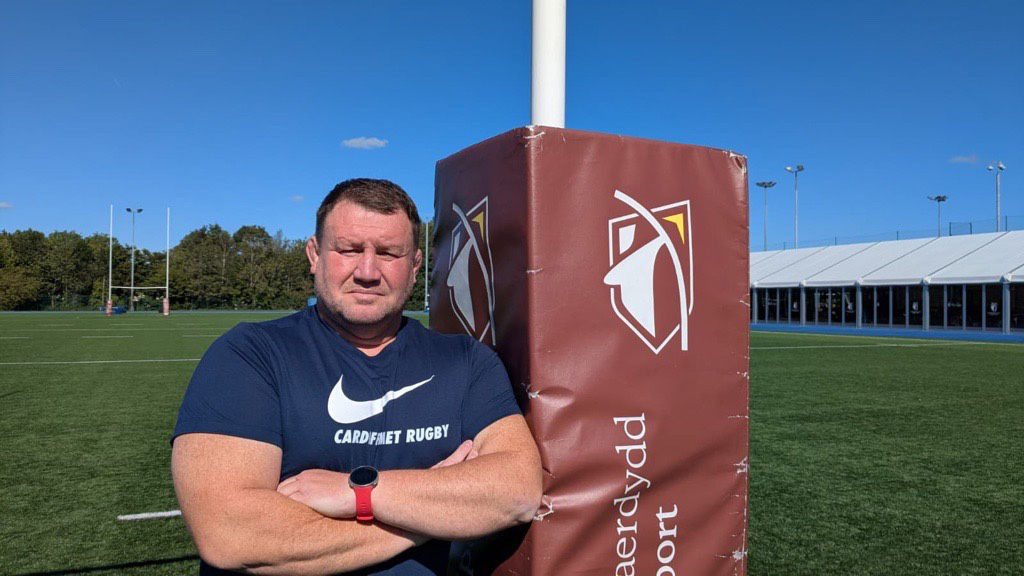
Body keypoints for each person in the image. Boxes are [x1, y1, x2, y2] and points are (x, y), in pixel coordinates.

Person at [171, 178, 543, 575]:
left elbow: (517, 491)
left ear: (415, 266)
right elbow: (232, 534)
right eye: (348, 249)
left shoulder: (466, 361)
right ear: (314, 254)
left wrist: (359, 493)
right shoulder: (250, 355)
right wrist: (433, 516)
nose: (367, 272)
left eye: (388, 253)